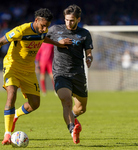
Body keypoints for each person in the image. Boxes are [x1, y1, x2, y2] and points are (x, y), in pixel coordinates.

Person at [0, 8, 71, 145]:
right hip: (12, 66)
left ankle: (16, 115)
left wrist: (57, 43)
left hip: (29, 70)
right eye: (43, 26)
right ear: (36, 20)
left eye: (47, 26)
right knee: (11, 94)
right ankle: (7, 134)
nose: (44, 29)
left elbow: (43, 38)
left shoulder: (42, 31)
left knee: (35, 104)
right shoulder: (21, 30)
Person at [46, 4, 93, 144]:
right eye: (66, 20)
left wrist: (89, 59)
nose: (68, 23)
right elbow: (40, 37)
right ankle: (73, 129)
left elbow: (89, 52)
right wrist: (57, 43)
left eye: (72, 20)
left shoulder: (85, 33)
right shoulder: (55, 30)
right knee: (66, 100)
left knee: (81, 108)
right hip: (61, 73)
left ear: (78, 19)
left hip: (78, 74)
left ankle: (71, 116)